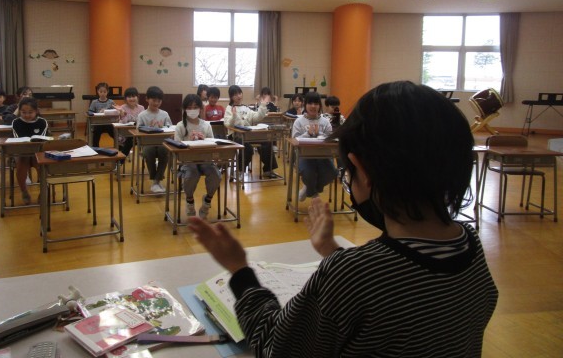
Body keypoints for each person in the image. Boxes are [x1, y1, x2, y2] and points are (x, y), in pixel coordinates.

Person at [189, 81, 498, 357]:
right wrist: (331, 250)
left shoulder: (353, 275)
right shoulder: (470, 246)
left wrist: (239, 270)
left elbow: (275, 345)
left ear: (361, 169)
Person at [175, 94, 221, 219]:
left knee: (216, 175)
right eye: (189, 107)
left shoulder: (206, 125)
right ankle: (189, 200)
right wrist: (188, 143)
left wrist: (204, 140)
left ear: (200, 109)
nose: (192, 110)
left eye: (195, 107)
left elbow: (213, 144)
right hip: (188, 161)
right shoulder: (180, 126)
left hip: (205, 160)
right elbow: (176, 148)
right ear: (184, 109)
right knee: (191, 175)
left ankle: (207, 200)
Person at [224, 85, 278, 178]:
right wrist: (234, 116)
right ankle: (239, 171)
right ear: (231, 97)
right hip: (236, 136)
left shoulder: (246, 108)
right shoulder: (229, 108)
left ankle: (268, 169)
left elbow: (257, 117)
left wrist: (263, 105)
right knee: (247, 148)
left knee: (267, 142)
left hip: (249, 135)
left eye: (240, 93)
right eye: (235, 94)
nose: (238, 96)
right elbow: (228, 124)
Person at [292, 92, 336, 201]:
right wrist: (308, 133)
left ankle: (309, 188)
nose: (313, 106)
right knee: (309, 173)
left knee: (332, 173)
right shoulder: (299, 121)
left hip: (323, 156)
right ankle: (314, 194)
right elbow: (294, 140)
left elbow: (330, 138)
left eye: (316, 103)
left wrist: (319, 134)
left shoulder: (325, 122)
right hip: (304, 156)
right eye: (310, 103)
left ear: (320, 106)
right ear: (305, 105)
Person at [136, 86, 173, 194]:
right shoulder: (142, 115)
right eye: (154, 100)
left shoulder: (164, 114)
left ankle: (156, 181)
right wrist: (149, 129)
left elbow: (170, 129)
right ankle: (156, 180)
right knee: (148, 152)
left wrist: (163, 127)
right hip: (148, 144)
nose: (156, 103)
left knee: (165, 151)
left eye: (159, 101)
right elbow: (138, 131)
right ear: (147, 99)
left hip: (162, 143)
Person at [12, 97, 48, 204]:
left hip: (38, 151)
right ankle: (24, 191)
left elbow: (43, 139)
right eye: (23, 112)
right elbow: (17, 139)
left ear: (36, 111)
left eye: (30, 112)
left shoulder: (42, 122)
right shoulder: (16, 122)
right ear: (19, 111)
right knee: (21, 167)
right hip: (22, 152)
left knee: (41, 166)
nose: (27, 115)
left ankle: (43, 191)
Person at [115, 87, 144, 157]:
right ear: (125, 99)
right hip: (125, 134)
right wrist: (122, 114)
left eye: (133, 96)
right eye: (129, 97)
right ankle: (121, 158)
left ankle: (121, 159)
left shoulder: (141, 108)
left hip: (137, 133)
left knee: (132, 138)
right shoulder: (122, 108)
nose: (131, 99)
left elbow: (143, 122)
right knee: (131, 138)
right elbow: (122, 123)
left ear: (137, 97)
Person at [88, 82, 116, 147]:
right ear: (98, 91)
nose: (102, 93)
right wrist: (97, 113)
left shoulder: (111, 102)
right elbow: (90, 112)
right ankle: (95, 147)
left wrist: (107, 111)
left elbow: (116, 111)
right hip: (98, 123)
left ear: (107, 92)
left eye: (104, 92)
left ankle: (119, 145)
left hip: (108, 123)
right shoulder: (94, 102)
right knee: (97, 131)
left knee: (114, 132)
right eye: (101, 92)